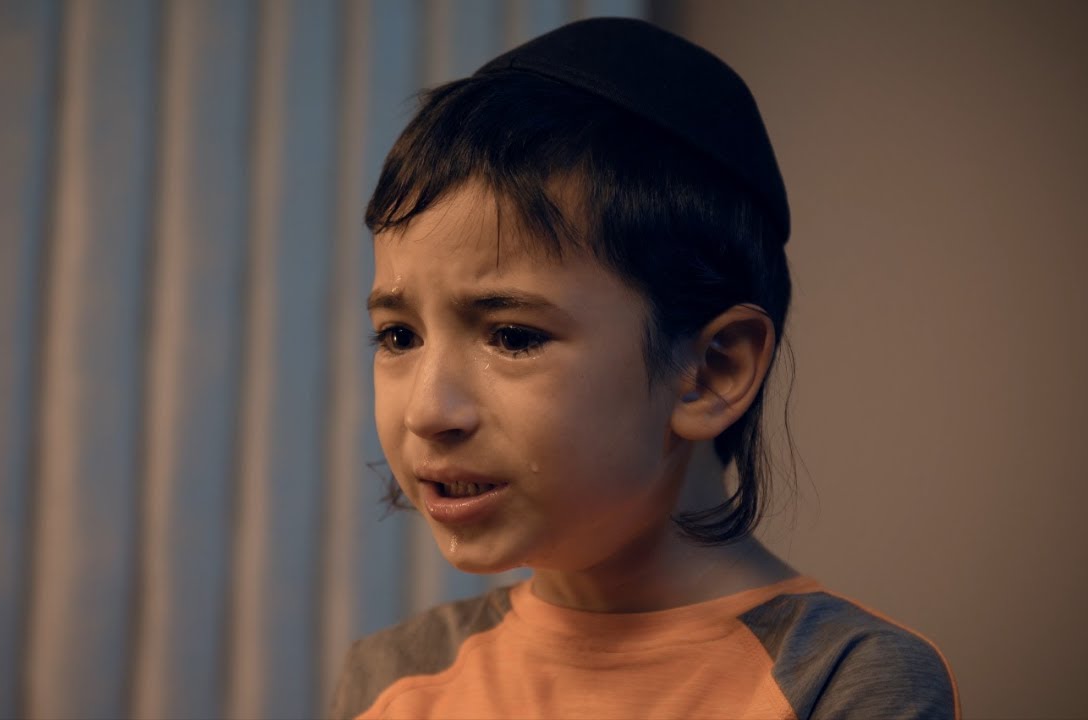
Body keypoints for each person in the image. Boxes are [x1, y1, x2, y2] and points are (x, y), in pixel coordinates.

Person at [331, 17, 959, 720]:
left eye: (511, 336)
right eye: (398, 336)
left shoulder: (846, 682)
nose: (428, 411)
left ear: (712, 371)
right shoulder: (393, 678)